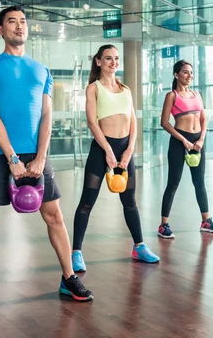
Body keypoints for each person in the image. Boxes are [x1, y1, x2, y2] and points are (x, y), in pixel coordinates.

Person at [0, 5, 93, 321]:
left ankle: (69, 278)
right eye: (12, 21)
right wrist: (12, 157)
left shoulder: (42, 70)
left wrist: (40, 157)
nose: (19, 26)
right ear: (1, 30)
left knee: (54, 215)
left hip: (36, 154)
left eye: (23, 21)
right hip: (0, 154)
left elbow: (47, 114)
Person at [71, 45, 160, 273]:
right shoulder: (94, 88)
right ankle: (76, 252)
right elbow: (92, 122)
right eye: (108, 58)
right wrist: (108, 151)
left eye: (117, 58)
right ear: (98, 62)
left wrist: (130, 149)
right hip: (102, 149)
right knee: (87, 202)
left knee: (129, 201)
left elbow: (133, 121)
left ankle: (139, 247)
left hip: (124, 150)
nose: (114, 62)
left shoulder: (126, 89)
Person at [157, 60, 213, 239]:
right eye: (185, 72)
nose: (189, 76)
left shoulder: (197, 95)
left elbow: (204, 120)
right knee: (173, 183)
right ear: (177, 74)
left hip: (197, 143)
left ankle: (205, 221)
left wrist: (201, 139)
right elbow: (164, 122)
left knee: (199, 183)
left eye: (191, 73)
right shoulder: (172, 96)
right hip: (179, 141)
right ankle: (163, 225)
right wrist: (183, 140)